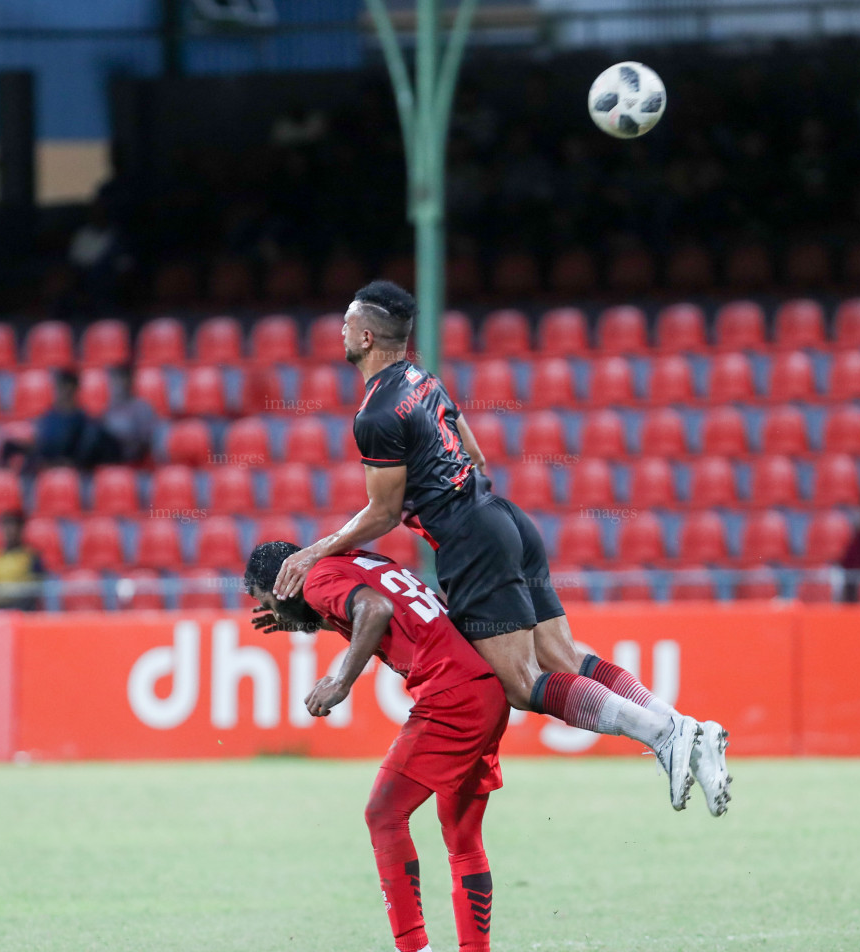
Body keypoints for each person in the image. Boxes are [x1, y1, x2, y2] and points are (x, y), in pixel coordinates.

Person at [271, 281, 731, 816]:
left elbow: (384, 511)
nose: (340, 330)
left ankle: (662, 732)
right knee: (563, 654)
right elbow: (477, 456)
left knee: (521, 683)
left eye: (346, 322)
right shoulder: (423, 381)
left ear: (367, 335)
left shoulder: (375, 414)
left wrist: (313, 552)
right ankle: (687, 729)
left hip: (470, 537)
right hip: (504, 516)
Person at [245, 540, 507, 952]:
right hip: (484, 688)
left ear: (285, 582)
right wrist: (313, 622)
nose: (274, 610)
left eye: (269, 601)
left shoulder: (319, 577)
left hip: (450, 696)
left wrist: (340, 679)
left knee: (383, 814)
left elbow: (375, 608)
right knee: (462, 834)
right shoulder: (361, 560)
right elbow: (394, 605)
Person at [34, 370, 103, 470]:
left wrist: (71, 464)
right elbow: (41, 449)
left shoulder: (85, 421)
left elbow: (86, 453)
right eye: (62, 389)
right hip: (48, 470)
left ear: (76, 391)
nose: (65, 395)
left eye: (69, 391)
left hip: (76, 472)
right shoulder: (46, 419)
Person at [0, 511, 44, 611]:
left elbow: (39, 585)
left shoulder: (31, 556)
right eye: (5, 527)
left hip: (24, 608)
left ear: (20, 529)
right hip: (0, 608)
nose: (9, 531)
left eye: (13, 527)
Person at [99, 366, 156, 465]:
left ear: (130, 381)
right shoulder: (107, 409)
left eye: (121, 379)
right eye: (114, 379)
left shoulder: (141, 407)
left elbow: (145, 440)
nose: (117, 384)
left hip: (133, 456)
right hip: (111, 456)